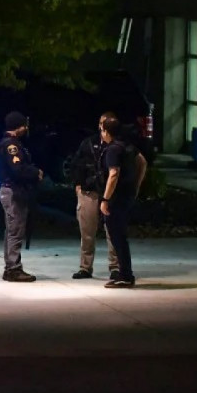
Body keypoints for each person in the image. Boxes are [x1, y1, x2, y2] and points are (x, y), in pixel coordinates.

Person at [99, 115, 148, 288]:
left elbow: (113, 174)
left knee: (118, 237)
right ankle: (124, 273)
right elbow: (142, 162)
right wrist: (136, 186)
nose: (101, 133)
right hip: (127, 196)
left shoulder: (113, 149)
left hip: (117, 198)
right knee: (120, 236)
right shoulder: (127, 146)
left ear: (106, 131)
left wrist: (105, 199)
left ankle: (125, 275)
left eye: (102, 130)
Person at [68, 113, 118, 280]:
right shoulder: (89, 143)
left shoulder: (117, 145)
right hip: (89, 192)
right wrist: (78, 185)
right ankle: (85, 267)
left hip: (110, 193)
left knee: (113, 231)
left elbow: (137, 162)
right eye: (102, 123)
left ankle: (116, 267)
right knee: (87, 232)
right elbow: (76, 164)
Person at [0, 111, 44, 282]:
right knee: (15, 230)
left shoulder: (7, 143)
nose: (26, 128)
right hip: (13, 192)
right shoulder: (11, 146)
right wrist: (36, 172)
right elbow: (17, 169)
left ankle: (11, 267)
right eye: (24, 125)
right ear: (18, 126)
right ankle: (13, 269)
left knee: (12, 230)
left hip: (11, 190)